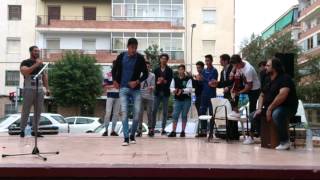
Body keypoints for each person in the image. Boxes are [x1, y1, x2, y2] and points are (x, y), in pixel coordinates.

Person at [243, 58, 298, 151]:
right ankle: (266, 138)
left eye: (268, 66)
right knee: (253, 115)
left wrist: (270, 109)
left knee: (277, 114)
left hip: (287, 107)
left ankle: (285, 142)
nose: (265, 67)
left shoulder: (285, 78)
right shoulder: (268, 79)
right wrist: (259, 109)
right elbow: (261, 95)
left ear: (275, 68)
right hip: (271, 108)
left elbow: (282, 95)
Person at [112, 38, 148, 146]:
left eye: (136, 48)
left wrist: (137, 81)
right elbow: (114, 69)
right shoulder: (121, 56)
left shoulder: (140, 58)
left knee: (137, 114)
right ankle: (126, 138)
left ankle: (132, 135)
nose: (134, 50)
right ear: (128, 47)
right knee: (125, 113)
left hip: (135, 90)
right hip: (123, 88)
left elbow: (145, 74)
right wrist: (114, 80)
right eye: (132, 47)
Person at [20, 46, 50, 138]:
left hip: (39, 89)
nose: (37, 52)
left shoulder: (41, 64)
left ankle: (35, 130)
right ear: (31, 52)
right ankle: (22, 130)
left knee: (38, 111)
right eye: (35, 51)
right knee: (26, 110)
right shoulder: (25, 62)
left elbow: (44, 76)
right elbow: (25, 72)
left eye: (38, 51)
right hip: (29, 88)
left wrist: (47, 88)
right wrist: (36, 65)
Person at [215, 54, 239, 140]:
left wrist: (228, 88)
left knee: (233, 113)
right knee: (228, 113)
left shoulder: (233, 69)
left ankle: (235, 134)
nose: (219, 62)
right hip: (226, 95)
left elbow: (235, 82)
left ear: (225, 61)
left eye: (221, 60)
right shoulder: (222, 71)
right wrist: (216, 84)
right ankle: (229, 133)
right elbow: (222, 83)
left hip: (233, 93)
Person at [151, 53, 173, 136]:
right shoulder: (156, 70)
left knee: (165, 112)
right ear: (160, 59)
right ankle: (152, 128)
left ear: (167, 60)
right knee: (154, 111)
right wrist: (158, 82)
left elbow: (170, 81)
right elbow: (154, 81)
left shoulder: (169, 70)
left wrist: (164, 81)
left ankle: (163, 129)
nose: (163, 60)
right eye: (162, 58)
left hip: (165, 93)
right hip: (157, 93)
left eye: (165, 59)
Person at [168, 64, 193, 137]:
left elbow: (190, 89)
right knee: (175, 115)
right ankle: (173, 131)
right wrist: (175, 90)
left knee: (184, 115)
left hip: (186, 100)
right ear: (178, 70)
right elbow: (171, 88)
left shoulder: (188, 79)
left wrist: (181, 90)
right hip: (177, 100)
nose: (181, 71)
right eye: (179, 69)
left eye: (182, 69)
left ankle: (183, 131)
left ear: (184, 70)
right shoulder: (174, 79)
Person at [198, 55, 219, 137]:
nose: (207, 62)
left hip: (212, 94)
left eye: (208, 60)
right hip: (204, 94)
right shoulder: (203, 71)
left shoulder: (214, 70)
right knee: (202, 112)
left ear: (211, 61)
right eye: (206, 61)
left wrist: (204, 79)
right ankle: (203, 131)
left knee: (211, 113)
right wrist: (199, 79)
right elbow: (201, 82)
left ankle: (211, 132)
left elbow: (212, 83)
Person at [137, 61, 155, 137]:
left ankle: (150, 129)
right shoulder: (140, 74)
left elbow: (154, 86)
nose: (147, 68)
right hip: (140, 96)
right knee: (139, 113)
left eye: (148, 66)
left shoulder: (152, 75)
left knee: (149, 113)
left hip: (149, 97)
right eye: (145, 66)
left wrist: (152, 87)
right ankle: (139, 130)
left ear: (149, 67)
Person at [102, 61, 120, 137]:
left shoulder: (120, 75)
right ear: (112, 66)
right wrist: (114, 86)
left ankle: (113, 131)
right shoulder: (108, 74)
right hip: (110, 96)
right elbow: (104, 86)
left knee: (116, 114)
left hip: (119, 96)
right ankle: (106, 130)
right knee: (108, 113)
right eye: (114, 65)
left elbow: (122, 86)